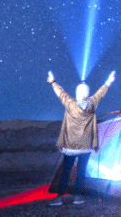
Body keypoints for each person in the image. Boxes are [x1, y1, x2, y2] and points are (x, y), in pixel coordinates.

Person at [47, 69, 115, 205]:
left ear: (77, 92)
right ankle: (78, 197)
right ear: (87, 93)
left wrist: (53, 81)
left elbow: (60, 93)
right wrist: (109, 81)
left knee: (65, 173)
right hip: (85, 147)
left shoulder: (70, 104)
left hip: (70, 147)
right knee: (81, 173)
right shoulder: (91, 104)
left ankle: (59, 198)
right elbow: (100, 93)